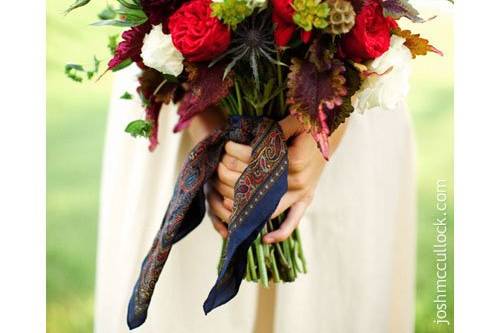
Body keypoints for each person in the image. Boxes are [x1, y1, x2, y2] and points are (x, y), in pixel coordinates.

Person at [94, 60, 416, 332]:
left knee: (327, 302)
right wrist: (206, 131)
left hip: (348, 94)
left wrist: (325, 132)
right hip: (179, 93)